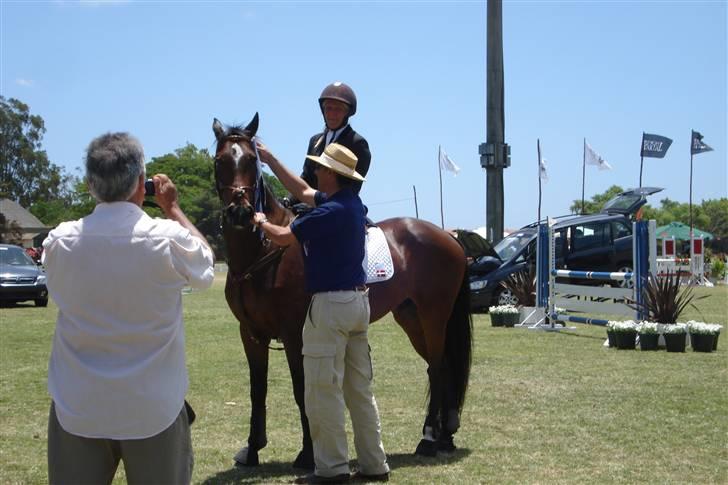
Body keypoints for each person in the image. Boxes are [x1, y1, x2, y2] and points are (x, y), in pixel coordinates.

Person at [42, 132, 215, 485]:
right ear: (142, 182)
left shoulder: (61, 242)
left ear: (90, 184)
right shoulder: (167, 238)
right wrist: (173, 208)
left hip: (78, 404)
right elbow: (205, 267)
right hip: (154, 407)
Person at [253, 142, 389, 484]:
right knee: (359, 391)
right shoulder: (351, 204)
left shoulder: (327, 213)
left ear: (333, 174)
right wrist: (269, 159)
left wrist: (259, 221)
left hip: (330, 307)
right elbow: (299, 189)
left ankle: (331, 470)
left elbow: (284, 237)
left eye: (321, 167)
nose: (315, 170)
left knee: (321, 390)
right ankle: (374, 465)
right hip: (358, 304)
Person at [299, 81, 371, 197]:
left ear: (347, 113)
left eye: (338, 109)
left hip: (339, 207)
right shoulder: (314, 141)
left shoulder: (357, 143)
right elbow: (306, 178)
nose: (332, 114)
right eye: (328, 108)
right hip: (308, 204)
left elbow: (353, 187)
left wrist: (316, 202)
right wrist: (287, 200)